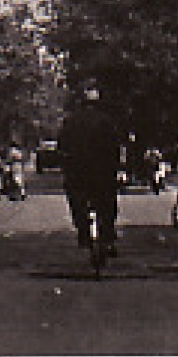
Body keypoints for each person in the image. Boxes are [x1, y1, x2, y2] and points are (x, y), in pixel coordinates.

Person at [59, 86, 123, 257]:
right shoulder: (107, 121)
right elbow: (115, 148)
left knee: (76, 200)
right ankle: (107, 236)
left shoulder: (71, 122)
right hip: (102, 172)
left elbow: (62, 148)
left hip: (78, 171)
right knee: (108, 204)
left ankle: (83, 232)